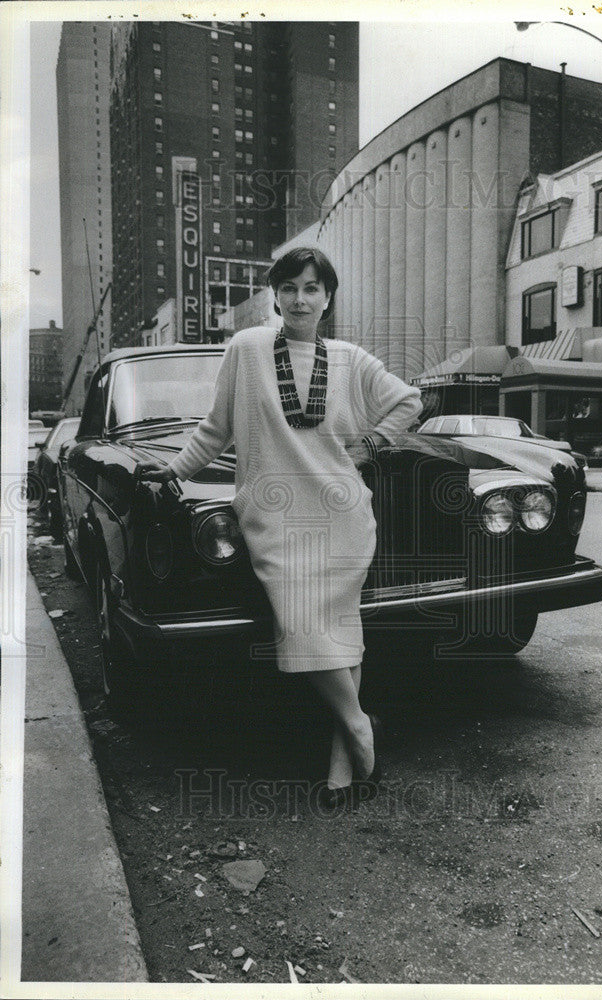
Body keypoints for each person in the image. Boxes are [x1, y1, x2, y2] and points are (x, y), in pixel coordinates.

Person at [137, 247, 422, 805]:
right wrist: (171, 473)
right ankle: (364, 728)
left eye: (311, 288)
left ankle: (343, 769)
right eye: (288, 287)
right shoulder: (245, 349)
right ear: (274, 295)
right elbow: (215, 429)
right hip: (273, 517)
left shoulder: (349, 358)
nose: (299, 299)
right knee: (301, 626)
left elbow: (409, 401)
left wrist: (369, 444)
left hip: (341, 514)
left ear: (328, 297)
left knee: (338, 634)